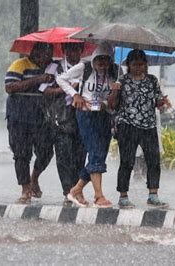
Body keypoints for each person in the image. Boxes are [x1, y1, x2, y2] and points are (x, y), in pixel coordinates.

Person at [56, 42, 119, 208]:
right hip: (85, 114)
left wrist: (113, 93)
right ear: (94, 58)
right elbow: (61, 79)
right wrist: (75, 94)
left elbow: (114, 102)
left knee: (99, 155)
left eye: (107, 60)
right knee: (95, 152)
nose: (103, 64)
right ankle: (99, 196)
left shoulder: (116, 72)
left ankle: (75, 190)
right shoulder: (84, 68)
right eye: (100, 60)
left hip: (104, 116)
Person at [108, 49, 171, 209]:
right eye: (134, 64)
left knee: (153, 160)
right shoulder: (122, 81)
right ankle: (123, 196)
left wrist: (162, 102)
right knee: (127, 162)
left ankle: (153, 194)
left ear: (145, 65)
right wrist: (114, 91)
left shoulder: (152, 80)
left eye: (141, 64)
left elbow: (157, 101)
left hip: (148, 125)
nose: (138, 68)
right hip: (127, 125)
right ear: (128, 65)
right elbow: (112, 106)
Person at [4, 42, 55, 204]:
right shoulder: (20, 64)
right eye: (43, 55)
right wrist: (37, 79)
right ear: (34, 53)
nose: (45, 59)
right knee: (21, 154)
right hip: (19, 116)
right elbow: (10, 87)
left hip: (42, 117)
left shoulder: (52, 68)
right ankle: (25, 189)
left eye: (49, 56)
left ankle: (35, 177)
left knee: (47, 151)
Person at [40, 43, 87, 205]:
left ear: (82, 51)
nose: (73, 53)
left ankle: (77, 190)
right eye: (69, 49)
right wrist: (66, 89)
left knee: (80, 155)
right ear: (64, 51)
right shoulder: (54, 68)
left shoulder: (86, 68)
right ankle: (68, 191)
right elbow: (45, 91)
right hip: (60, 118)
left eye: (76, 49)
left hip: (82, 116)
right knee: (64, 155)